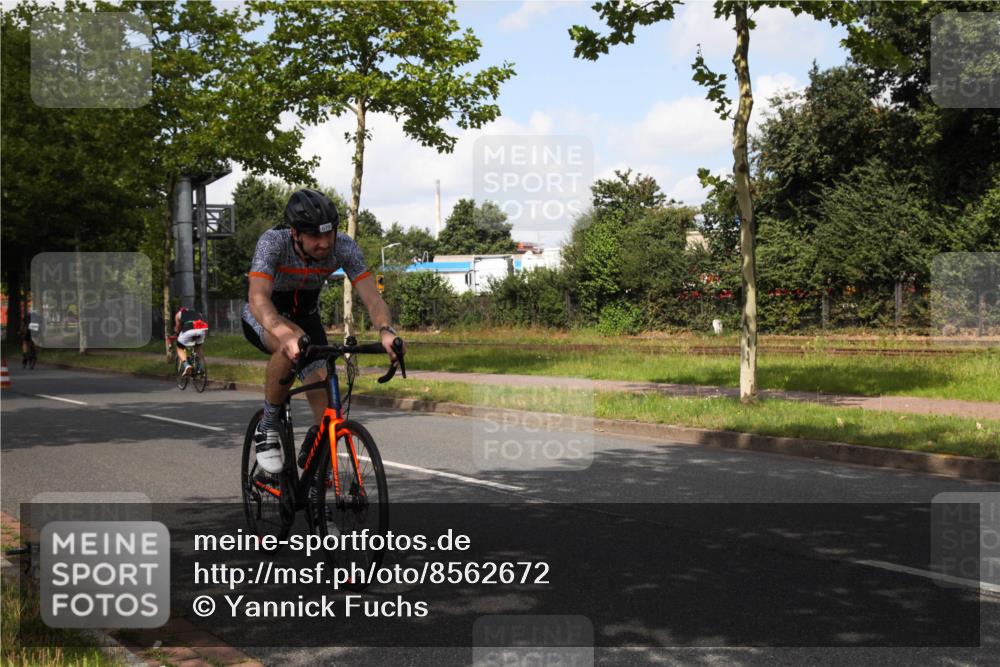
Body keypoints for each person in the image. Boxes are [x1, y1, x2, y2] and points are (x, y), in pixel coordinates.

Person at [242, 188, 402, 474]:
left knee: (327, 396)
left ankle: (318, 469)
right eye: (315, 236)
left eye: (329, 234)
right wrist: (283, 332)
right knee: (288, 347)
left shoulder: (343, 246)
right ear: (295, 233)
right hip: (266, 315)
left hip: (307, 317)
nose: (324, 243)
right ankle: (266, 428)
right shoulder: (273, 243)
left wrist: (386, 330)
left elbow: (373, 298)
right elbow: (258, 299)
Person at [174, 306, 209, 376]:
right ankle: (201, 367)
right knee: (198, 347)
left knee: (180, 348)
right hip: (201, 331)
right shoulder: (198, 313)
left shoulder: (178, 314)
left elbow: (178, 327)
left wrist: (176, 333)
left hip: (188, 331)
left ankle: (187, 366)